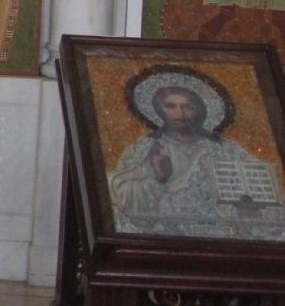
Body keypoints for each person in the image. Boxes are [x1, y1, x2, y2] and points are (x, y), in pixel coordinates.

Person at [109, 71, 285, 239]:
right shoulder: (146, 148)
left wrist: (250, 209)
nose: (180, 114)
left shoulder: (227, 150)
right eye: (170, 106)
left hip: (226, 236)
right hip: (166, 235)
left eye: (188, 107)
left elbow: (268, 198)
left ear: (201, 109)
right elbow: (121, 199)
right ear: (158, 109)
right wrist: (158, 178)